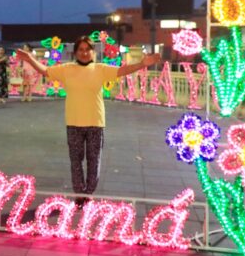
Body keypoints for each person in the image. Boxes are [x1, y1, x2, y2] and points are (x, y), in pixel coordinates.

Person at [16, 36, 160, 204]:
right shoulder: (67, 69)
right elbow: (45, 71)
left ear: (92, 51)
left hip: (95, 122)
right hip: (74, 122)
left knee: (94, 162)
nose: (84, 53)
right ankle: (79, 194)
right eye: (81, 50)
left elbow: (122, 71)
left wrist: (142, 64)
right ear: (75, 53)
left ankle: (88, 193)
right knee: (75, 162)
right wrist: (30, 58)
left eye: (87, 49)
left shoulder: (100, 69)